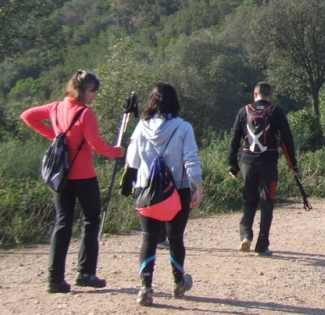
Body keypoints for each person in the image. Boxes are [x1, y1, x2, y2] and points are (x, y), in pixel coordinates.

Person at [20, 71, 125, 294]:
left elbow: (27, 116)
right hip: (84, 175)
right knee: (91, 219)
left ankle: (55, 278)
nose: (95, 95)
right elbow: (96, 144)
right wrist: (116, 152)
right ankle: (85, 273)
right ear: (81, 90)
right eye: (92, 90)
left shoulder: (56, 107)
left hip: (61, 175)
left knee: (63, 222)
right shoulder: (85, 113)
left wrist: (55, 136)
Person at [127, 83, 203, 307]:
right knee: (175, 238)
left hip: (147, 189)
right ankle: (179, 282)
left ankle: (145, 287)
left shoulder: (141, 126)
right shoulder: (183, 127)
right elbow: (191, 158)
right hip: (177, 190)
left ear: (152, 101)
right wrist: (198, 186)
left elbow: (132, 161)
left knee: (149, 238)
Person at [228, 82, 298, 256]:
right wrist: (293, 165)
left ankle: (245, 236)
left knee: (249, 201)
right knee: (267, 204)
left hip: (247, 163)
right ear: (270, 95)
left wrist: (233, 165)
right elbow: (287, 140)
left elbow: (234, 139)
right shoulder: (276, 112)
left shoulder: (244, 111)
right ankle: (262, 245)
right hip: (268, 163)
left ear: (255, 94)